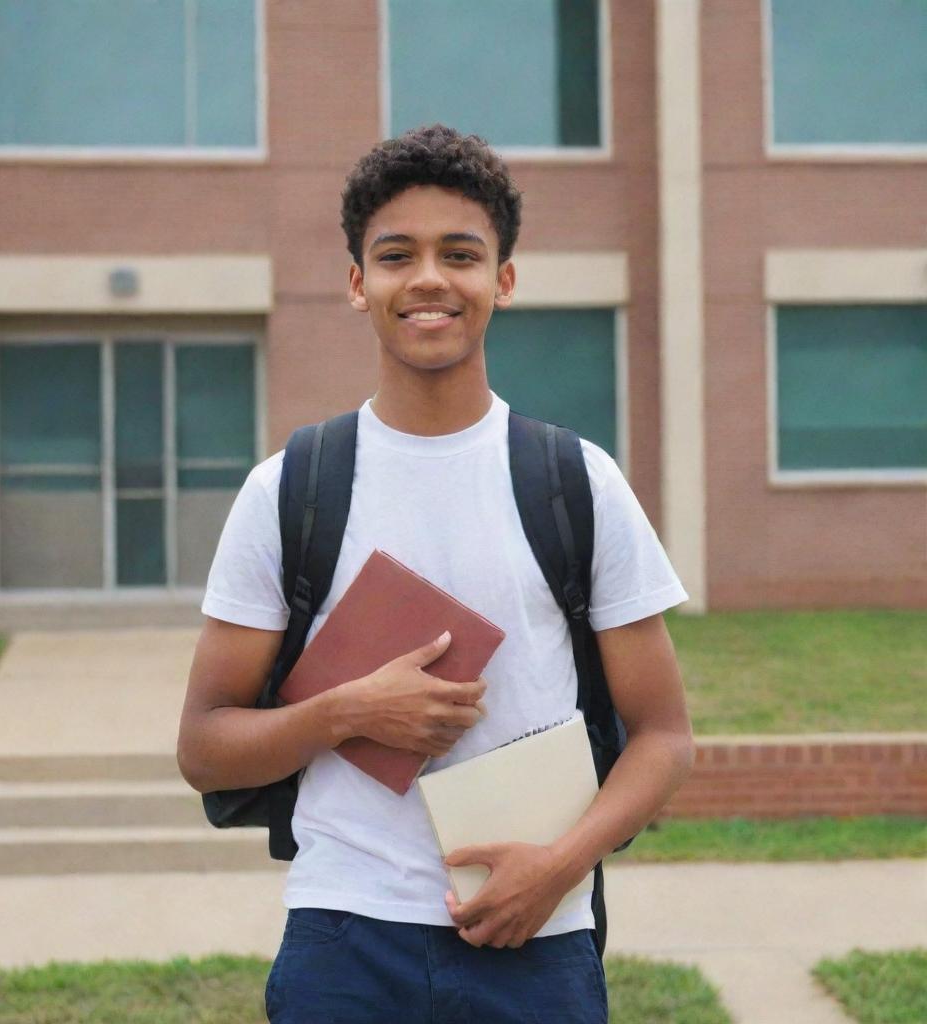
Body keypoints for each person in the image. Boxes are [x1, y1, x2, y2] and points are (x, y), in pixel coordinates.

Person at [177, 123, 695, 1024]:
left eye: (460, 254)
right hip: (343, 936)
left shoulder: (577, 481)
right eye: (395, 255)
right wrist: (347, 712)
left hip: (537, 932)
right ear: (356, 284)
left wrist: (560, 867)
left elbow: (664, 737)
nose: (427, 279)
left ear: (502, 280)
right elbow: (204, 745)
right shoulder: (290, 488)